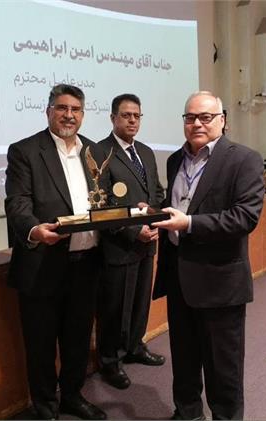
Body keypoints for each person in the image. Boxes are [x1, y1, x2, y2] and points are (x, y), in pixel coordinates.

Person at [152, 91, 265, 420]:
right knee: (184, 358)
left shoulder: (244, 159)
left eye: (206, 117)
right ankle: (187, 413)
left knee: (223, 368)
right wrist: (153, 216)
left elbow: (245, 217)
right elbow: (179, 204)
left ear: (222, 120)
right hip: (179, 278)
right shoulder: (175, 159)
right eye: (190, 118)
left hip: (220, 282)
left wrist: (188, 224)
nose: (197, 124)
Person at [5, 84, 107, 420]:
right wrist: (34, 230)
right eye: (62, 108)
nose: (68, 115)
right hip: (43, 263)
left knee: (78, 338)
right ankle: (45, 404)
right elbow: (17, 203)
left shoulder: (94, 151)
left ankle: (73, 396)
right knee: (41, 342)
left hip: (87, 263)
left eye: (75, 109)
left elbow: (105, 201)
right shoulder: (25, 151)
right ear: (48, 111)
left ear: (83, 114)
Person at [96, 94, 165, 390]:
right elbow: (100, 204)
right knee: (114, 308)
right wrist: (133, 230)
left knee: (139, 302)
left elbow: (157, 193)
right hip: (118, 245)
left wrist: (153, 218)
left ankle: (135, 346)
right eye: (126, 115)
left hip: (147, 242)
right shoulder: (99, 152)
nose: (132, 120)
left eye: (137, 115)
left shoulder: (146, 152)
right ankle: (110, 361)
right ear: (113, 118)